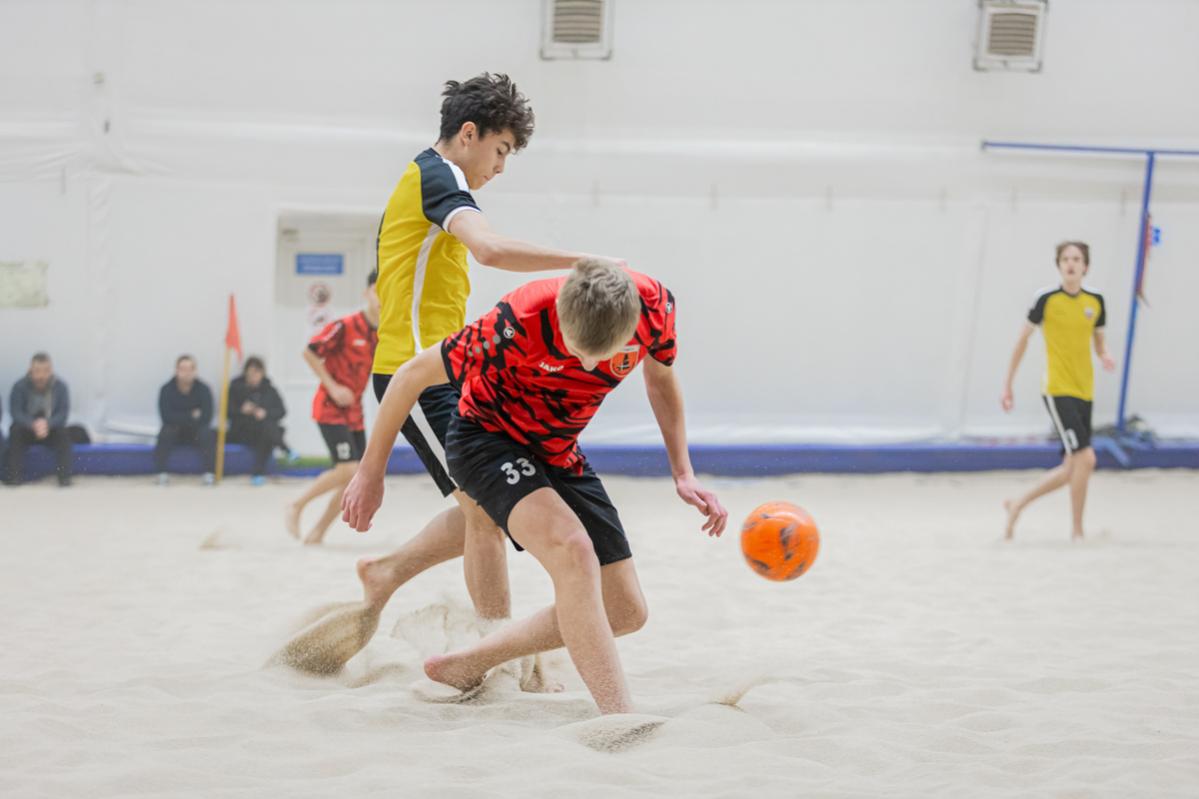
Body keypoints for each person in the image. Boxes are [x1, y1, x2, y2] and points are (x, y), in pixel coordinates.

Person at [343, 260, 728, 715]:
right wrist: (370, 472)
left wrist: (683, 472)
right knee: (573, 550)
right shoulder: (519, 318)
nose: (588, 365)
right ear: (561, 314)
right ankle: (619, 718)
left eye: (601, 356)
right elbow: (409, 375)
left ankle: (471, 661)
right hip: (486, 440)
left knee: (626, 610)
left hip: (558, 448)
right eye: (576, 350)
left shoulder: (657, 308)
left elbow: (661, 380)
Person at [366, 73, 627, 625]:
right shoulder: (437, 176)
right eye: (501, 149)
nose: (502, 167)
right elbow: (490, 249)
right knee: (486, 509)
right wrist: (585, 261)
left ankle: (387, 572)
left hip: (450, 370)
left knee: (491, 499)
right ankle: (494, 646)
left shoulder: (432, 181)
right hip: (414, 372)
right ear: (469, 134)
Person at [1001, 241, 1116, 540]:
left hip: (1085, 390)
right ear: (1059, 265)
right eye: (1065, 259)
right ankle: (1077, 531)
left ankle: (1017, 504)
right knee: (1086, 459)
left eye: (1076, 259)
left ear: (1085, 266)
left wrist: (1105, 355)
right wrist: (1008, 384)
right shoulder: (1046, 299)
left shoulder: (1096, 301)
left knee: (1071, 468)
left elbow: (1099, 342)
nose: (1071, 263)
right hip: (1057, 388)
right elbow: (1022, 341)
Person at [285, 271, 380, 544]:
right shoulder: (346, 326)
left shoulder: (385, 333)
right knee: (348, 469)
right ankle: (296, 504)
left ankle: (317, 532)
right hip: (330, 407)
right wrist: (334, 387)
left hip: (356, 413)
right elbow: (309, 352)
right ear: (366, 293)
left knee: (356, 477)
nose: (382, 298)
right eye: (378, 290)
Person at [5, 352, 73, 487]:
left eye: (45, 371)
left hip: (50, 428)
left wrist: (47, 424)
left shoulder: (60, 387)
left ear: (51, 370)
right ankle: (14, 477)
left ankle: (64, 478)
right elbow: (16, 413)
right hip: (27, 428)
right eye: (37, 371)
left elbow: (62, 414)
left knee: (64, 434)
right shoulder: (19, 386)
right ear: (30, 370)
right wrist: (32, 424)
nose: (41, 376)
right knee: (15, 431)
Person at [227, 356, 290, 485]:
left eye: (257, 373)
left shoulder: (269, 389)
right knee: (270, 429)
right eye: (250, 374)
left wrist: (265, 413)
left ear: (262, 373)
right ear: (245, 373)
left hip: (262, 431)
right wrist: (241, 410)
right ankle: (285, 449)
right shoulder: (236, 387)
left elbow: (282, 411)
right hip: (242, 430)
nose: (253, 377)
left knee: (267, 429)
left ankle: (257, 474)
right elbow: (227, 412)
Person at [155, 355, 216, 485]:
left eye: (190, 369)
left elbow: (207, 417)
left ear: (195, 371)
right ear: (176, 370)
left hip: (196, 433)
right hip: (175, 432)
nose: (186, 373)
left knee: (207, 432)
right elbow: (166, 417)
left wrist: (179, 416)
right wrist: (191, 415)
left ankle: (209, 474)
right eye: (183, 369)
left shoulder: (204, 389)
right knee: (165, 431)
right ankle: (161, 473)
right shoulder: (166, 389)